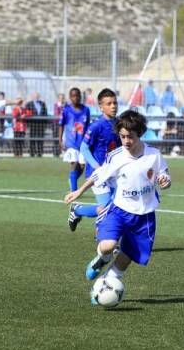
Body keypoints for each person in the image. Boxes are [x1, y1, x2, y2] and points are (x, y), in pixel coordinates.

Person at [64, 110, 171, 305]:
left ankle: (106, 282)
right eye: (122, 136)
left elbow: (164, 175)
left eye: (130, 136)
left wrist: (165, 180)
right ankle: (101, 259)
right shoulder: (116, 156)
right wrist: (79, 191)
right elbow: (98, 175)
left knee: (128, 256)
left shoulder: (154, 155)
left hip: (144, 216)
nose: (126, 140)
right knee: (108, 246)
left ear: (140, 134)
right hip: (119, 210)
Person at [68, 88, 120, 231]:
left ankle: (77, 210)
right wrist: (97, 167)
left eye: (115, 103)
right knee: (107, 209)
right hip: (97, 174)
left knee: (115, 207)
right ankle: (106, 239)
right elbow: (84, 148)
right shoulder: (96, 126)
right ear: (101, 107)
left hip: (113, 172)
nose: (113, 106)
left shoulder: (119, 124)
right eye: (109, 103)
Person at [59, 88, 90, 192]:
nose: (75, 98)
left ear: (80, 97)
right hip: (71, 142)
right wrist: (60, 140)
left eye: (77, 96)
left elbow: (87, 126)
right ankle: (74, 190)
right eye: (73, 96)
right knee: (74, 163)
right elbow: (61, 125)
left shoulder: (86, 110)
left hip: (83, 142)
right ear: (70, 97)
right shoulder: (66, 110)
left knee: (82, 165)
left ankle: (72, 179)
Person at [25, 92, 48, 157]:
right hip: (33, 124)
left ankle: (40, 153)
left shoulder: (42, 104)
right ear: (32, 97)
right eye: (34, 96)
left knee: (40, 139)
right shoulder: (29, 104)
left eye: (37, 96)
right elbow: (26, 113)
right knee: (32, 139)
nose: (36, 97)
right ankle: (32, 153)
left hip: (41, 125)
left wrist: (45, 124)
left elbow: (45, 113)